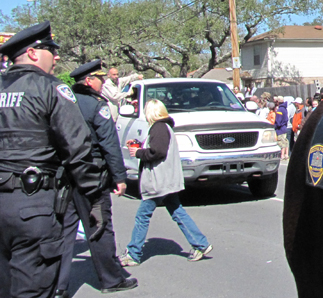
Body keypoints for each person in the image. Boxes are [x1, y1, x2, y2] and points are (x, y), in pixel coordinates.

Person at [0, 22, 106, 298]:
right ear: (33, 53)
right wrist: (93, 196)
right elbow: (78, 148)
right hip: (33, 205)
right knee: (33, 288)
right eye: (51, 50)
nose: (56, 57)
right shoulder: (51, 88)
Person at [57, 60, 137, 296]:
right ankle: (111, 279)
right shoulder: (96, 105)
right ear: (89, 81)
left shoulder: (62, 102)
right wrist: (119, 176)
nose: (103, 82)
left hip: (65, 176)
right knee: (99, 227)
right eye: (100, 78)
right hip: (91, 176)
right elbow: (109, 144)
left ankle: (58, 286)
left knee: (64, 232)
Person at [119, 99, 212, 266]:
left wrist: (139, 152)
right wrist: (140, 146)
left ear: (151, 112)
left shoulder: (159, 128)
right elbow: (158, 148)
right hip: (167, 180)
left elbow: (158, 152)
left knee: (143, 216)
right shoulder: (165, 127)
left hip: (158, 181)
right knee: (177, 212)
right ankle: (200, 244)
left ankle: (133, 253)